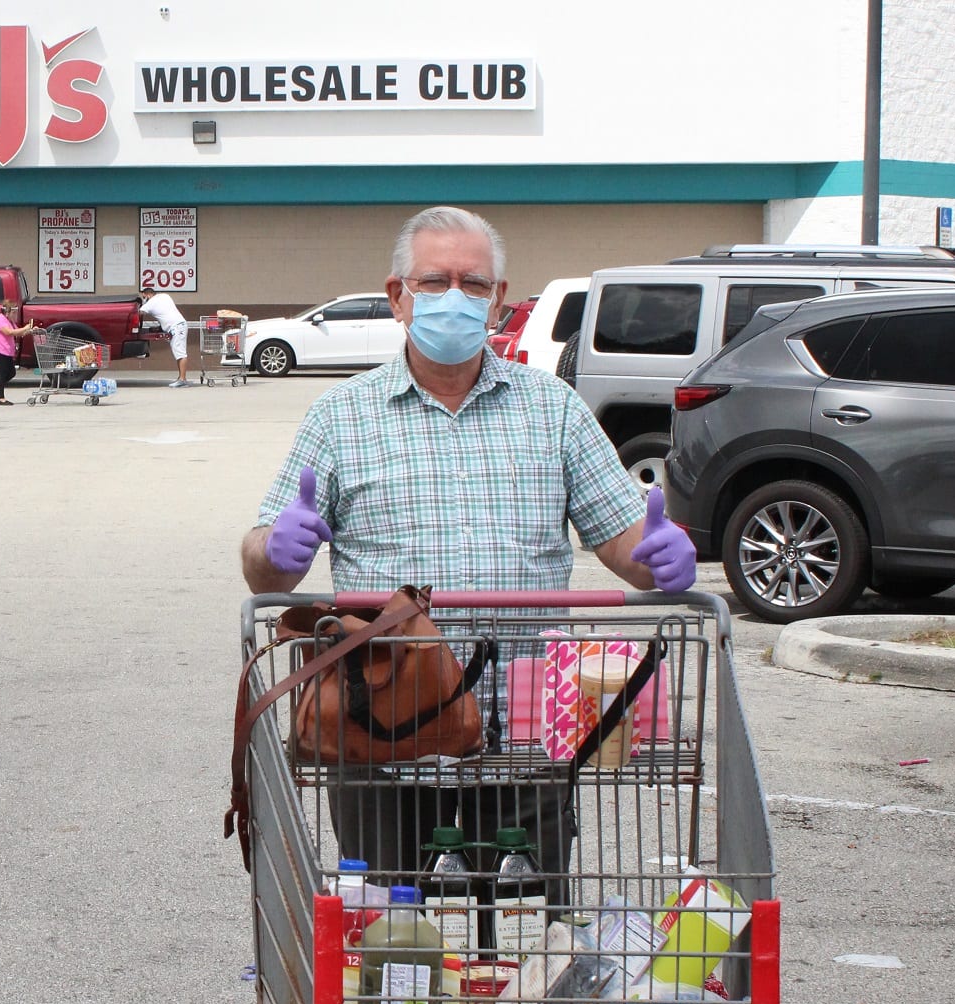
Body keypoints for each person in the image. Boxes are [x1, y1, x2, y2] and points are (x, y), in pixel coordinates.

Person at [240, 205, 697, 891]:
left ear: (498, 301)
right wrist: (277, 547)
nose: (454, 298)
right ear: (398, 296)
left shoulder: (555, 409)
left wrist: (658, 551)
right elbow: (263, 563)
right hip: (383, 732)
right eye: (434, 281)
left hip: (523, 733)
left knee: (527, 928)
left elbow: (625, 537)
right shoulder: (340, 416)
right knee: (388, 932)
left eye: (473, 284)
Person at [138, 286, 190, 388]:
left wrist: (143, 306)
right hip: (179, 325)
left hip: (177, 328)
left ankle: (183, 379)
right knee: (179, 353)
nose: (144, 300)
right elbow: (165, 313)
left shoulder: (151, 303)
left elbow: (139, 312)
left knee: (180, 353)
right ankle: (181, 378)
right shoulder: (165, 296)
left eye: (144, 297)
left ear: (148, 295)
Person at [0, 302, 36, 405]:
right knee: (3, 374)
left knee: (10, 373)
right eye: (14, 313)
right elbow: (9, 332)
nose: (15, 315)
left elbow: (18, 332)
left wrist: (30, 330)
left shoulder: (10, 322)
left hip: (6, 352)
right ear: (7, 312)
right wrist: (25, 328)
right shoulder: (0, 320)